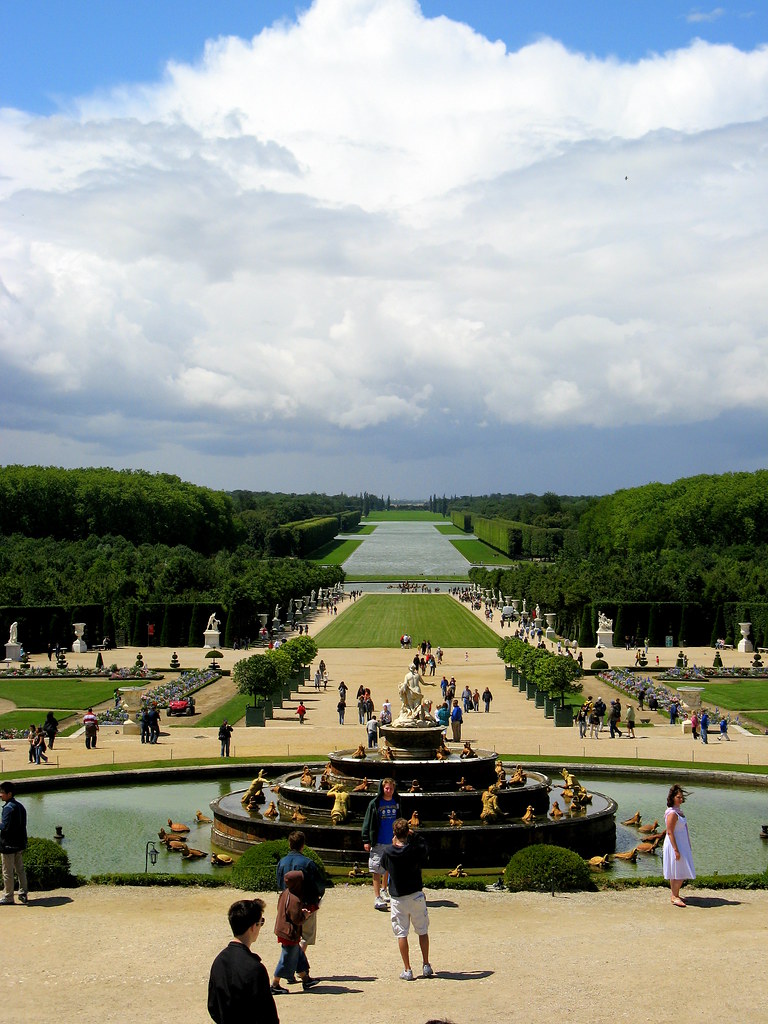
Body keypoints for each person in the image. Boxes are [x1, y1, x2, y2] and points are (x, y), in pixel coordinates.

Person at [208, 898, 278, 1024]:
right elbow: (268, 1016)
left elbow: (213, 1006)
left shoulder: (219, 961)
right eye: (260, 922)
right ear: (253, 927)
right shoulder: (255, 968)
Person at [380, 818, 433, 981]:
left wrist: (394, 843)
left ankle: (408, 969)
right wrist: (414, 835)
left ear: (395, 834)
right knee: (422, 931)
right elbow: (425, 846)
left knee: (401, 933)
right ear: (407, 833)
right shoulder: (414, 849)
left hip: (398, 897)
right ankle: (426, 965)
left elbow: (385, 867)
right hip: (416, 894)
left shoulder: (388, 851)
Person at [276, 831, 325, 978]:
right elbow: (319, 885)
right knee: (305, 937)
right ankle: (299, 969)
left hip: (287, 905)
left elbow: (279, 884)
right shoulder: (308, 863)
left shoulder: (282, 862)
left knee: (291, 936)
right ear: (303, 845)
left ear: (289, 844)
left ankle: (297, 970)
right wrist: (317, 898)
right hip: (306, 905)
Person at [271, 870, 319, 993]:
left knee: (297, 955)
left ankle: (306, 979)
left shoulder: (285, 893)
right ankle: (275, 984)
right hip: (289, 933)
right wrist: (305, 915)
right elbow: (297, 920)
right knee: (286, 958)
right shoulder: (295, 899)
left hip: (282, 929)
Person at [362, 777, 401, 911]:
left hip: (392, 841)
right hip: (378, 841)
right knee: (376, 868)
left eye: (391, 788)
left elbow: (400, 820)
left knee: (389, 868)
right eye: (386, 788)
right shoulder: (375, 803)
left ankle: (385, 889)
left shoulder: (397, 802)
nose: (388, 790)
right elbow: (367, 822)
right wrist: (366, 839)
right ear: (382, 788)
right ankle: (377, 896)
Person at [662, 784, 695, 908]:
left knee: (677, 870)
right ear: (673, 797)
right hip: (675, 844)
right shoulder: (672, 813)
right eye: (678, 797)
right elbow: (669, 831)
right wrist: (676, 849)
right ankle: (674, 896)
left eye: (681, 797)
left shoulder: (678, 812)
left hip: (681, 843)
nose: (680, 799)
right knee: (680, 871)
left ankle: (675, 894)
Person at [0, 780, 28, 905]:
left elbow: (4, 827)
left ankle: (8, 896)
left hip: (8, 845)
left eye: (2, 793)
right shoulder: (20, 806)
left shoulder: (8, 808)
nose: (0, 795)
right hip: (19, 843)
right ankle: (23, 893)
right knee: (20, 869)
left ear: (9, 794)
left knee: (7, 872)